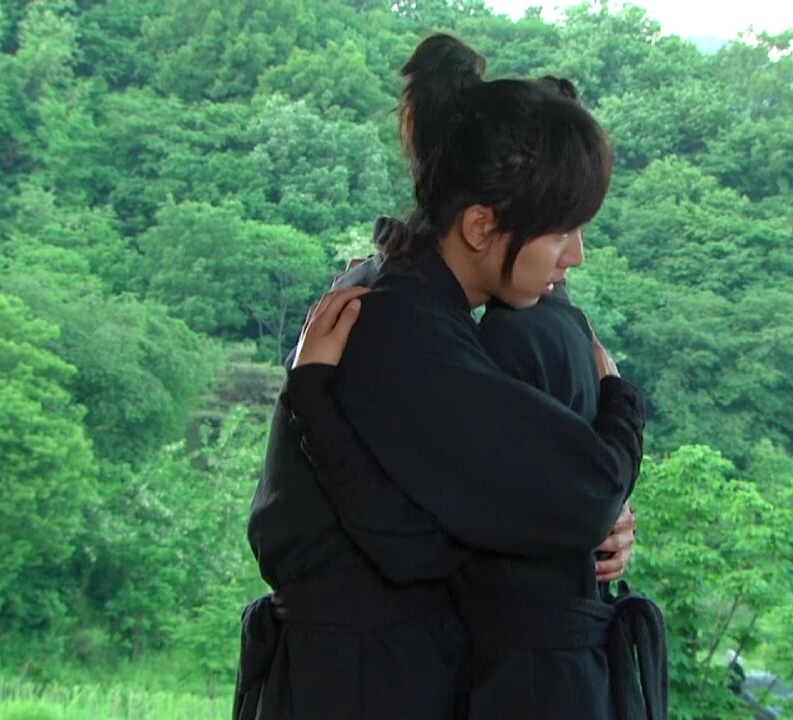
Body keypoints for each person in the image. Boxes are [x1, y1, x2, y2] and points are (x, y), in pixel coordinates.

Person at [239, 37, 663, 720]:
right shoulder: (404, 327)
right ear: (480, 226)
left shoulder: (413, 302)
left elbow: (522, 499)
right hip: (362, 684)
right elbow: (430, 542)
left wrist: (580, 520)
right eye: (562, 233)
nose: (575, 258)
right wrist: (616, 402)